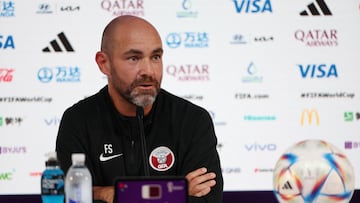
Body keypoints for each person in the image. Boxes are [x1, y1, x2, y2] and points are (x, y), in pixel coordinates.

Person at [56, 15, 223, 203]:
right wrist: (176, 193)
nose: (149, 71)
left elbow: (207, 200)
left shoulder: (193, 120)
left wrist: (104, 193)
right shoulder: (78, 121)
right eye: (134, 58)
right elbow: (70, 198)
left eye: (156, 57)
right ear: (104, 63)